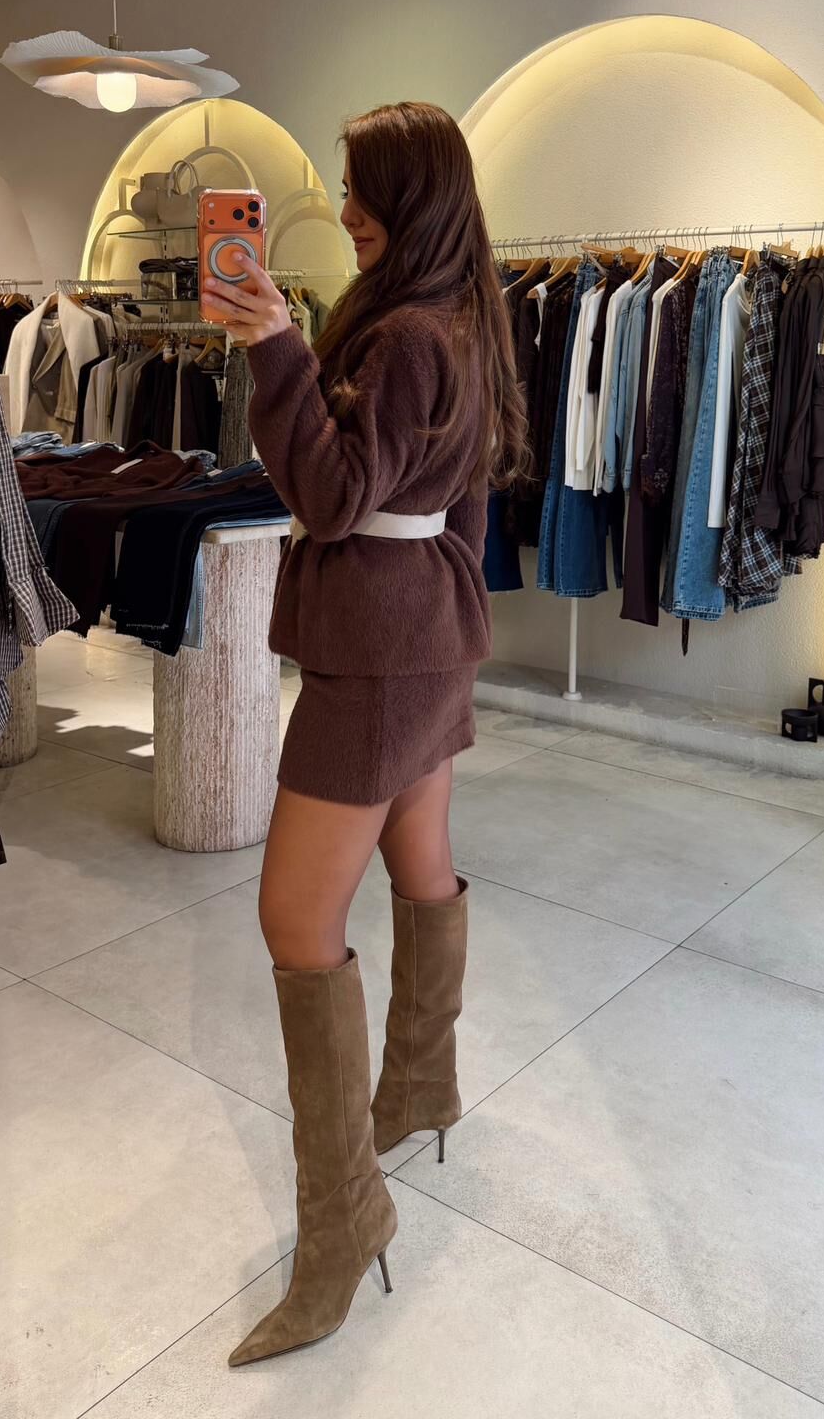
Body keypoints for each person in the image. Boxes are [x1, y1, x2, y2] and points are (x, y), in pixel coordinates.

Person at [203, 102, 529, 1368]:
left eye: (360, 189)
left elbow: (336, 496)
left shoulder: (402, 333)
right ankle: (422, 1085)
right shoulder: (464, 314)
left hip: (382, 651)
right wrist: (456, 607)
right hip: (432, 631)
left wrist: (276, 349)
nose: (344, 211)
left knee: (296, 920)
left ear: (412, 195)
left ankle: (343, 1226)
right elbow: (457, 493)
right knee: (421, 858)